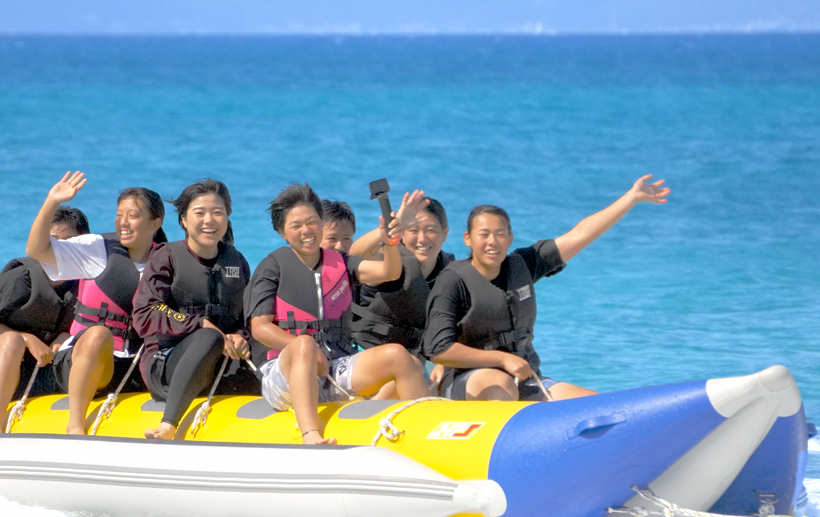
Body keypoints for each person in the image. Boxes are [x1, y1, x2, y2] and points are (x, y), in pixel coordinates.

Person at [424, 175, 670, 402]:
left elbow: (579, 235)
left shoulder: (524, 265)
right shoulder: (453, 280)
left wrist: (631, 197)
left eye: (500, 234)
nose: (492, 242)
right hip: (466, 381)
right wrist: (501, 358)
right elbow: (439, 349)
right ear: (467, 238)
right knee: (500, 385)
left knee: (592, 402)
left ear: (510, 238)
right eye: (484, 234)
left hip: (524, 380)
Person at [246, 184, 431, 445]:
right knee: (304, 345)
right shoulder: (272, 266)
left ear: (321, 222)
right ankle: (310, 435)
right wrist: (305, 348)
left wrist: (389, 241)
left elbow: (389, 272)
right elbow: (260, 328)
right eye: (296, 226)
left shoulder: (340, 262)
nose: (306, 231)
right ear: (282, 232)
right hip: (285, 375)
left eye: (311, 222)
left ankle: (427, 430)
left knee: (399, 356)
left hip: (334, 366)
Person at [26, 171, 168, 434]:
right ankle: (75, 425)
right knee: (98, 334)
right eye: (119, 215)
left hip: (136, 364)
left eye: (133, 216)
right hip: (84, 361)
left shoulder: (168, 260)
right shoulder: (97, 249)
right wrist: (52, 202)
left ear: (155, 223)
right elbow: (36, 249)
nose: (123, 223)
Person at [131, 179, 254, 440]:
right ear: (184, 220)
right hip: (165, 364)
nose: (209, 220)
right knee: (208, 336)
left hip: (220, 365)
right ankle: (168, 424)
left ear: (227, 217)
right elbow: (145, 314)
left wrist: (241, 336)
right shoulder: (166, 256)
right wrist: (197, 324)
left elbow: (247, 316)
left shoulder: (236, 260)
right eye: (199, 212)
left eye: (217, 212)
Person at [0, 206, 90, 433]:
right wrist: (26, 339)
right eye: (53, 240)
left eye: (68, 241)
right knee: (11, 341)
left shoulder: (85, 281)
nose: (59, 248)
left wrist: (66, 336)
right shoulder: (22, 276)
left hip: (46, 373)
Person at [350, 196, 453, 395]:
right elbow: (356, 254)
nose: (422, 238)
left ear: (445, 233)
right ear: (403, 234)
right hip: (364, 355)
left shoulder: (451, 273)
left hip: (410, 364)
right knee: (405, 372)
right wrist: (390, 228)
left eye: (430, 230)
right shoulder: (389, 259)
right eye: (413, 230)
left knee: (416, 372)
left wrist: (444, 363)